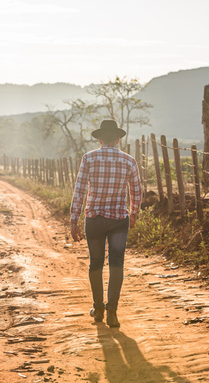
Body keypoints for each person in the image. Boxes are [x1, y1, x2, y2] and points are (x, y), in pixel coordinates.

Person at [70, 119, 142, 328]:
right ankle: (112, 311)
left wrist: (74, 220)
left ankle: (98, 308)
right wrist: (134, 213)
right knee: (116, 263)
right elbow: (136, 191)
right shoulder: (129, 161)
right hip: (119, 219)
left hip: (94, 220)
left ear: (100, 138)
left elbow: (80, 191)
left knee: (96, 263)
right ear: (118, 139)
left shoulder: (89, 158)